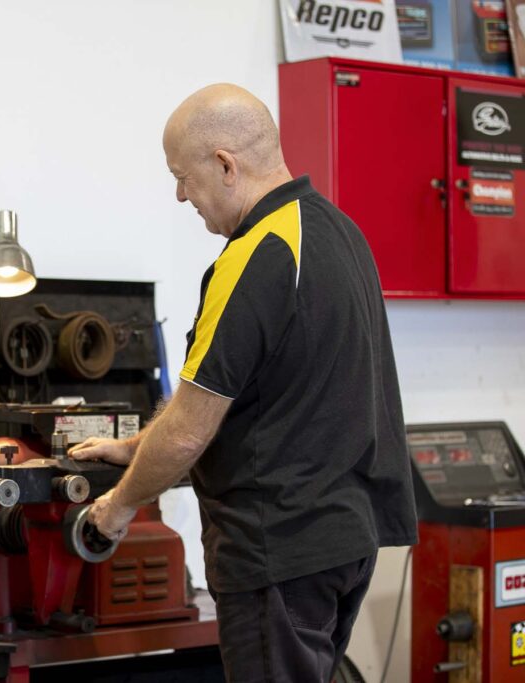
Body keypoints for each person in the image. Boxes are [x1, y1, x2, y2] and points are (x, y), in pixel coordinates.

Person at [69, 84, 417, 682]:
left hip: (275, 547)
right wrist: (133, 450)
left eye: (182, 176)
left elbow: (188, 430)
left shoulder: (257, 254)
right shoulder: (338, 232)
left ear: (225, 165)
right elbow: (268, 395)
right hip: (343, 542)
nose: (181, 194)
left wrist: (116, 507)